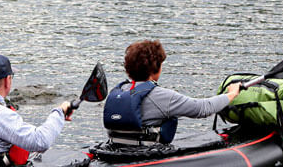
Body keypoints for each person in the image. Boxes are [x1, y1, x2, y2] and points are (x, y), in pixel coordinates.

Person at [103, 40, 240, 146]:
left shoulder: (120, 91)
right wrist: (231, 94)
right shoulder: (162, 96)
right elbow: (202, 108)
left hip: (119, 150)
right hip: (145, 154)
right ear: (155, 68)